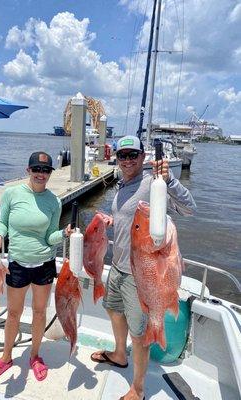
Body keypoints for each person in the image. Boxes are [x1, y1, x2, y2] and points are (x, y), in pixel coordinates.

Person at [91, 135, 196, 400]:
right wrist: (112, 220)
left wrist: (170, 181)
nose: (127, 160)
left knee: (139, 334)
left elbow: (188, 209)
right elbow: (130, 218)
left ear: (143, 158)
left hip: (141, 274)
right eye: (122, 156)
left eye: (132, 155)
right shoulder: (122, 185)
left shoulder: (153, 184)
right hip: (117, 267)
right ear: (117, 159)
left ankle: (138, 389)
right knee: (112, 310)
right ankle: (118, 354)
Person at [0, 151, 73, 384]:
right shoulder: (12, 194)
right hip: (17, 263)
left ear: (50, 173)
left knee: (40, 312)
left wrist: (63, 234)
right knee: (13, 313)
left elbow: (49, 236)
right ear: (28, 170)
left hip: (44, 263)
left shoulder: (54, 201)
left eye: (46, 170)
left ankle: (35, 355)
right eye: (37, 169)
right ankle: (6, 358)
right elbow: (2, 222)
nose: (41, 174)